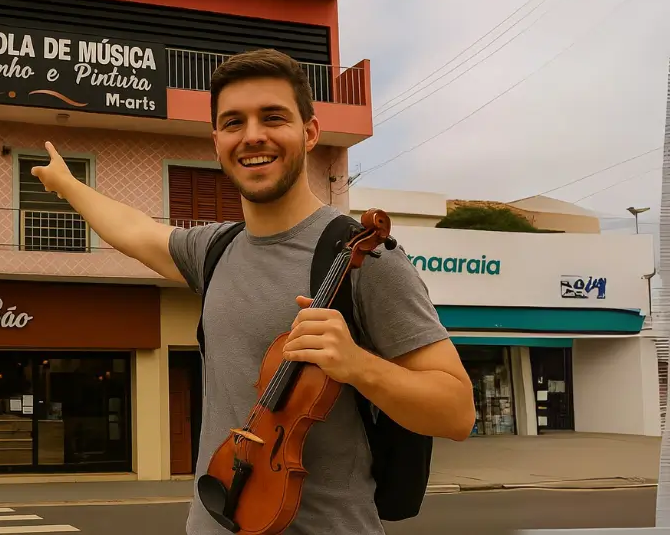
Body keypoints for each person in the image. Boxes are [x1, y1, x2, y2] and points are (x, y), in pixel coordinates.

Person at [30, 48, 476, 534]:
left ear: (309, 132)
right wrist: (68, 185)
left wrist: (357, 364)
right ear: (216, 140)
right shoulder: (215, 249)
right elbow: (134, 230)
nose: (253, 136)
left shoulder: (366, 258)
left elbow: (456, 411)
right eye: (234, 122)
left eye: (273, 117)